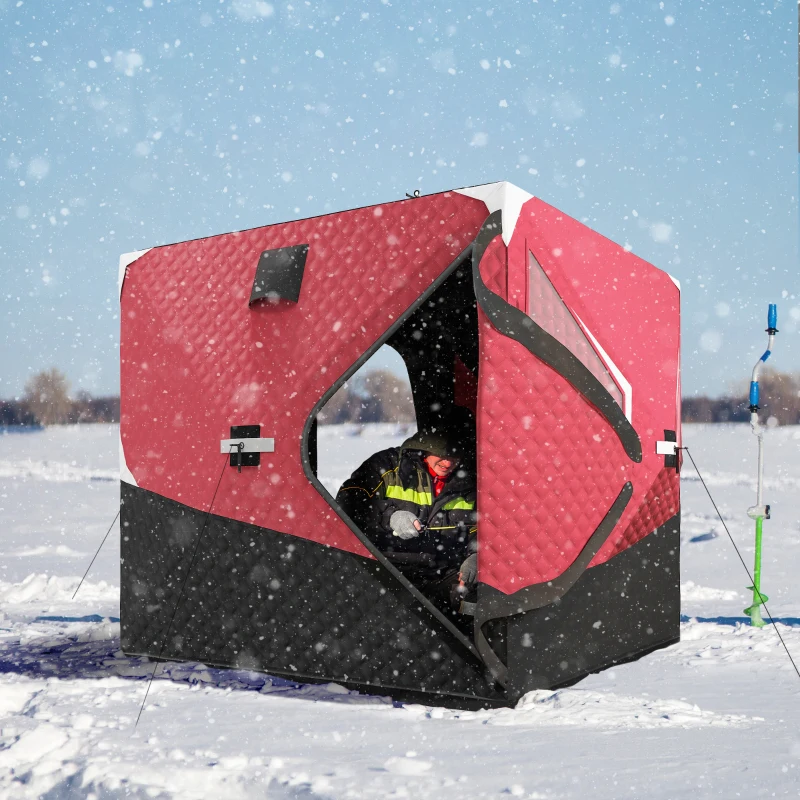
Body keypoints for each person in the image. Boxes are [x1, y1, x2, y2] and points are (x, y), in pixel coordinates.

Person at [335, 412, 478, 617]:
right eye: (443, 455)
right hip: (386, 571)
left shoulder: (472, 480)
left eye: (455, 457)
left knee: (483, 604)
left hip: (443, 574)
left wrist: (477, 556)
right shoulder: (388, 466)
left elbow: (485, 527)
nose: (448, 463)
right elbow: (348, 502)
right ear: (426, 447)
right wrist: (390, 518)